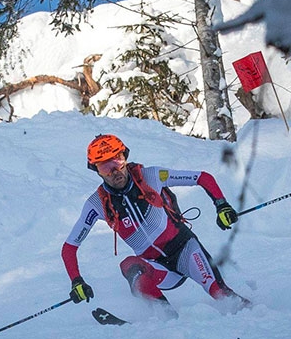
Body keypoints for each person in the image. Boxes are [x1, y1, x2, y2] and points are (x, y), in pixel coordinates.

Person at [62, 134, 250, 317]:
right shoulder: (96, 204)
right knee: (130, 266)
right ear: (96, 170)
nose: (114, 171)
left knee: (221, 293)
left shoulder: (152, 176)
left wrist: (221, 205)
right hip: (156, 267)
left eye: (117, 161)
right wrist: (76, 280)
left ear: (125, 157)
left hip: (186, 250)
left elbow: (202, 177)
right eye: (105, 167)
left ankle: (258, 314)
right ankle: (166, 319)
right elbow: (69, 247)